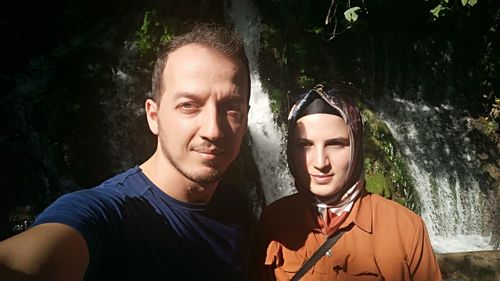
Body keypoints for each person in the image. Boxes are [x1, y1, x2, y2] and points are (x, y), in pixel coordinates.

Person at [0, 23, 252, 281]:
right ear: (153, 116)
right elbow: (25, 263)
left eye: (232, 109)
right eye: (188, 105)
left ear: (246, 120)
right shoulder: (109, 212)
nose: (213, 130)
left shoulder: (234, 204)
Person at [257, 85, 442, 280]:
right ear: (290, 152)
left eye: (336, 144)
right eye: (305, 145)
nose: (320, 163)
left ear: (356, 148)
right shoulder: (274, 221)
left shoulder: (406, 228)